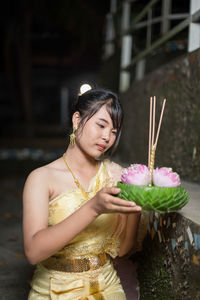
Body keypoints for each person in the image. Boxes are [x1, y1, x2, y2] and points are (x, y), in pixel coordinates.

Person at [23, 88, 142, 300]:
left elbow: (123, 249)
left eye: (114, 131)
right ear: (77, 119)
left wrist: (137, 204)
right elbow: (33, 252)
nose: (107, 137)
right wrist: (94, 208)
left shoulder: (117, 175)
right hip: (53, 289)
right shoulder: (41, 178)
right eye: (101, 125)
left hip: (106, 287)